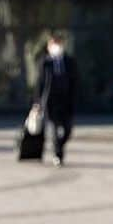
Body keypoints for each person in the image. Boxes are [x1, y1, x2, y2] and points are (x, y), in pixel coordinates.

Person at [34, 32, 77, 164]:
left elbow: (75, 81)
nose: (57, 47)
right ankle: (58, 154)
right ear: (49, 46)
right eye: (54, 44)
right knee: (54, 128)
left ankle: (60, 147)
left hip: (66, 101)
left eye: (59, 43)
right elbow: (40, 83)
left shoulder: (69, 61)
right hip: (51, 102)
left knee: (68, 129)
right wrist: (37, 102)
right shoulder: (45, 63)